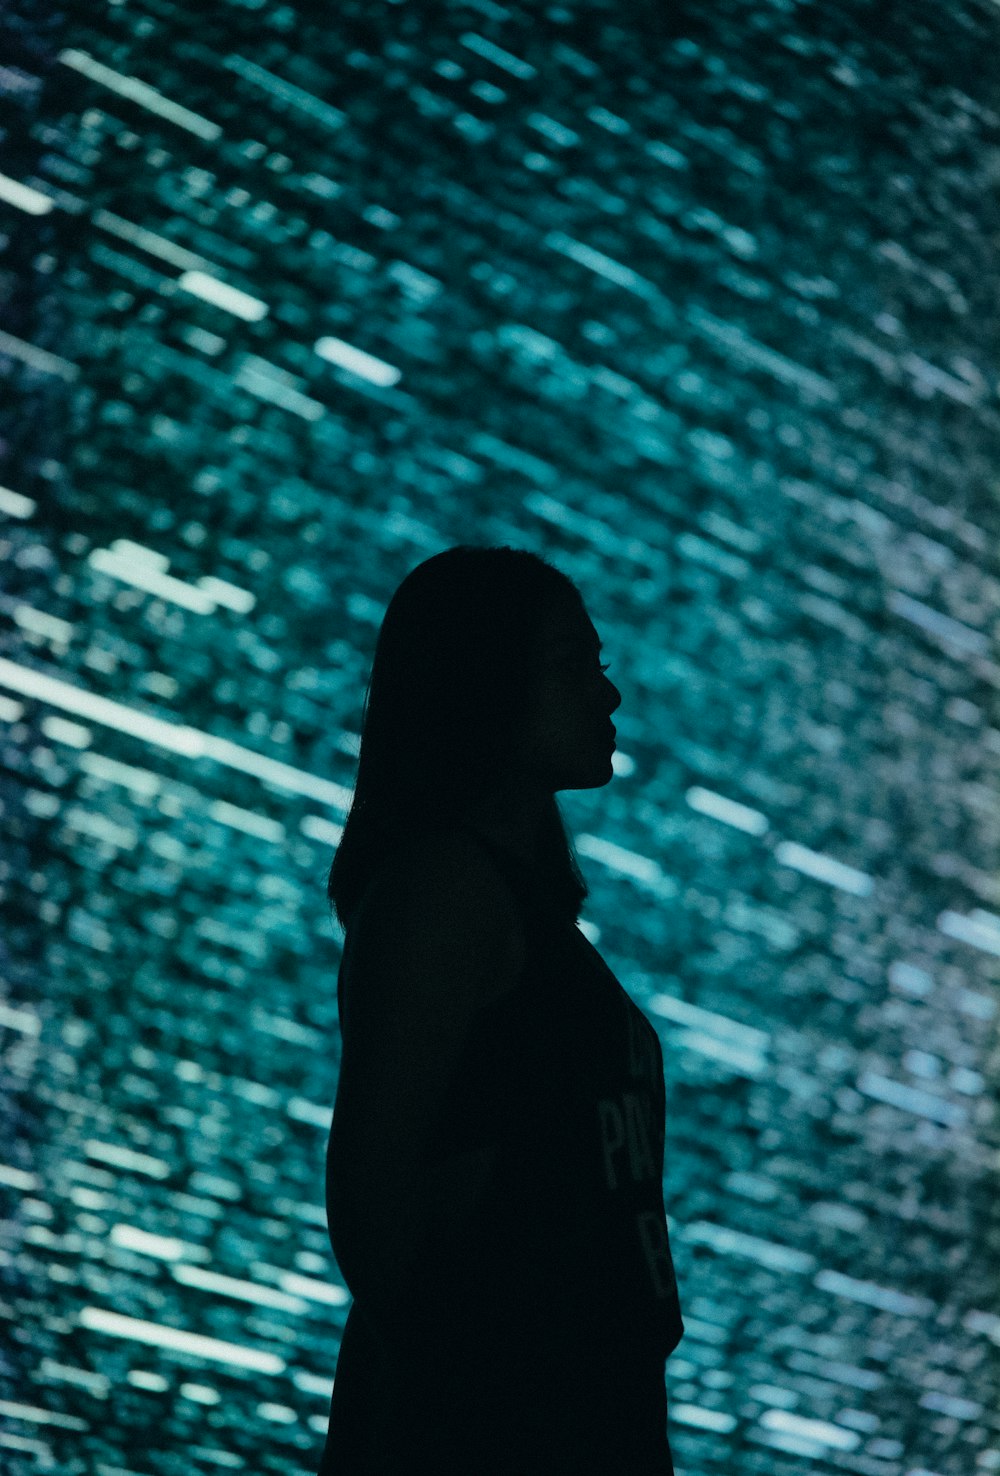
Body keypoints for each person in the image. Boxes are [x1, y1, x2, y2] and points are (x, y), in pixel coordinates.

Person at [317, 545, 684, 1475]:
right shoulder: (445, 892)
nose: (606, 695)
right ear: (482, 684)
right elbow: (374, 1195)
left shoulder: (507, 905)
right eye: (572, 666)